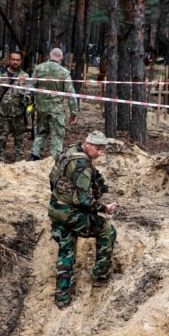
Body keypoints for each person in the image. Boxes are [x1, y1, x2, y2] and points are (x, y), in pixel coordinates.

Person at [47, 131, 117, 309]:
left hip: (56, 209)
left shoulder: (70, 151)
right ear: (88, 144)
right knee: (107, 230)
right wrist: (104, 208)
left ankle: (62, 300)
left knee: (66, 252)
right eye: (98, 149)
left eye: (103, 150)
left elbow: (53, 178)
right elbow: (83, 200)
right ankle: (101, 277)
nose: (100, 153)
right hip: (71, 213)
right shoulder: (82, 164)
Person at [28, 48, 79, 161]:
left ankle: (34, 156)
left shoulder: (38, 69)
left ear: (49, 56)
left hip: (41, 108)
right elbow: (71, 94)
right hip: (56, 110)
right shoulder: (64, 72)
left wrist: (30, 106)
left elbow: (30, 88)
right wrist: (74, 113)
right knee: (57, 135)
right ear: (61, 58)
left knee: (41, 133)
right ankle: (54, 160)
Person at [0, 51, 31, 163]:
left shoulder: (25, 77)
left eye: (18, 60)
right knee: (1, 139)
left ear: (21, 61)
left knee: (19, 140)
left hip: (19, 114)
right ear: (9, 60)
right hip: (3, 113)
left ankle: (19, 163)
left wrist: (28, 107)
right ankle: (0, 163)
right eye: (13, 59)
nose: (15, 62)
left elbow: (29, 96)